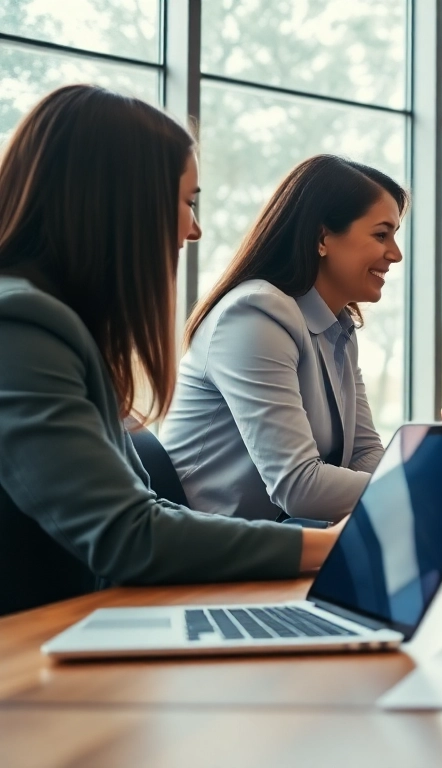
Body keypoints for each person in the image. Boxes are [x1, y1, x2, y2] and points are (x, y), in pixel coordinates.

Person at [0, 86, 340, 617]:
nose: (195, 228)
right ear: (119, 202)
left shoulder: (58, 325)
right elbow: (128, 535)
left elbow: (143, 510)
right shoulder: (20, 326)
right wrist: (328, 546)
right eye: (187, 201)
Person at [160, 156, 405, 522]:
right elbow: (298, 486)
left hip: (284, 542)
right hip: (212, 559)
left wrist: (428, 475)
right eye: (381, 234)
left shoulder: (337, 326)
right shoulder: (255, 314)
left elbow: (363, 454)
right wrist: (419, 486)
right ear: (323, 237)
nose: (396, 254)